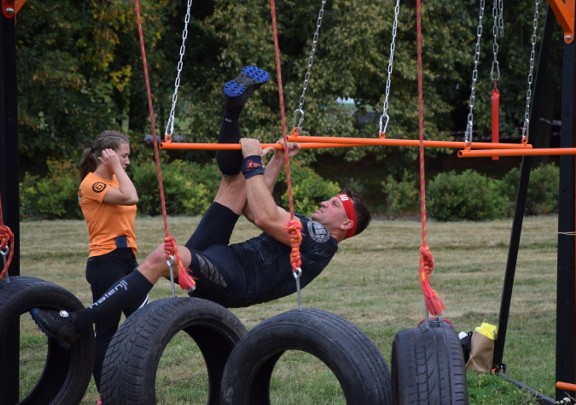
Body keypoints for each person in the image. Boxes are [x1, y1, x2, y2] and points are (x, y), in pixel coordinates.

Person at [31, 65, 371, 348]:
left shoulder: (319, 240)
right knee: (235, 183)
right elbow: (252, 208)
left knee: (164, 256)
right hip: (222, 258)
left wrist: (254, 159)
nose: (327, 201)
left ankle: (76, 322)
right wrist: (277, 161)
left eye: (336, 204)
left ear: (346, 226)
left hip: (232, 280)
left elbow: (266, 215)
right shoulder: (309, 231)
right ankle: (232, 109)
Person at [77, 130, 149, 397]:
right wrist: (117, 167)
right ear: (107, 155)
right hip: (105, 262)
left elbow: (128, 194)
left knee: (142, 325)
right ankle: (104, 393)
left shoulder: (116, 179)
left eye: (127, 156)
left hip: (127, 259)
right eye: (124, 156)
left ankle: (135, 384)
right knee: (106, 331)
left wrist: (117, 167)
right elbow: (132, 197)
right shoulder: (91, 184)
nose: (127, 161)